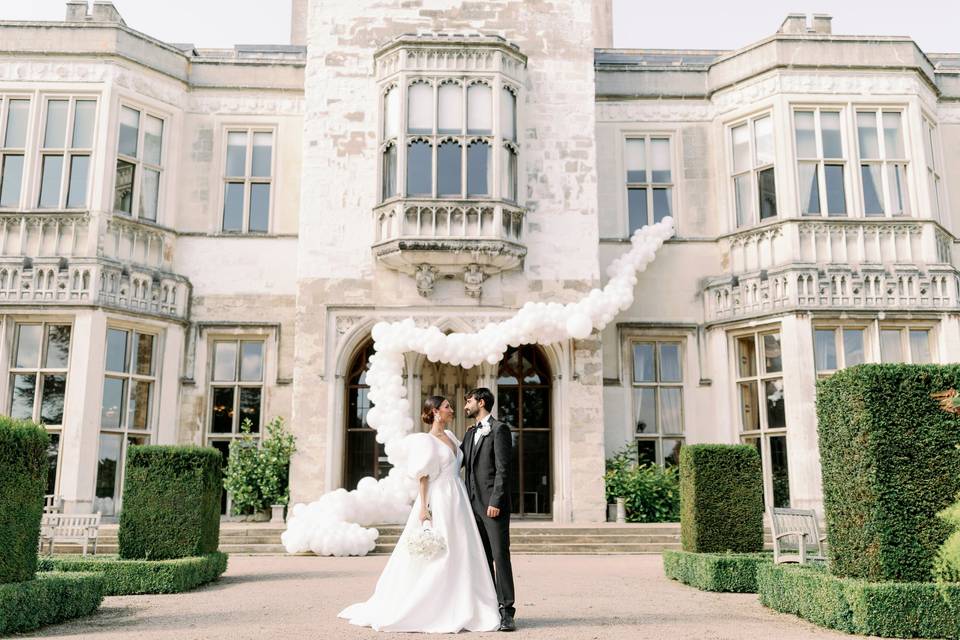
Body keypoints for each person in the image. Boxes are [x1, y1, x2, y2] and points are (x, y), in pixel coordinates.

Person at [338, 396, 502, 633]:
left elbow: (464, 461)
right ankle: (433, 605)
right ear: (435, 412)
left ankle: (464, 601)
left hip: (459, 498)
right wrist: (424, 507)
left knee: (462, 549)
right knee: (440, 552)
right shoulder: (426, 441)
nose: (452, 409)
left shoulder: (454, 437)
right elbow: (423, 477)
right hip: (439, 498)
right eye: (447, 407)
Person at [462, 387, 516, 632]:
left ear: (481, 402)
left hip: (493, 507)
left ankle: (507, 611)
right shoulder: (470, 433)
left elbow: (504, 470)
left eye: (469, 401)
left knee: (500, 557)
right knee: (482, 559)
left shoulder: (499, 429)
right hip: (472, 506)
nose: (466, 405)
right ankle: (488, 608)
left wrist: (495, 501)